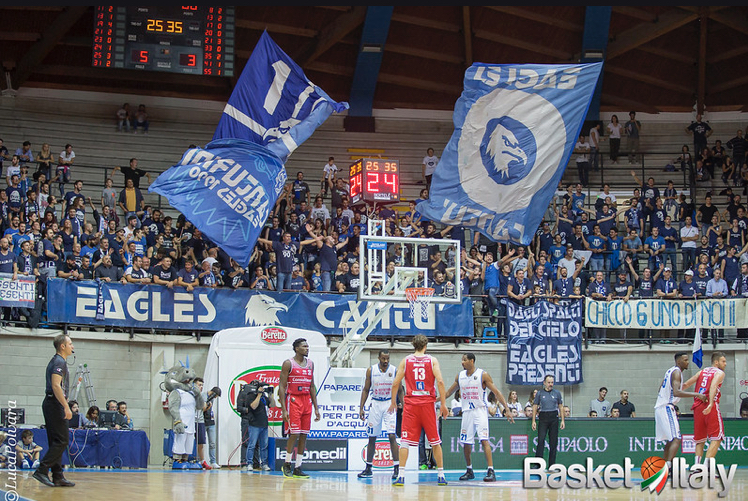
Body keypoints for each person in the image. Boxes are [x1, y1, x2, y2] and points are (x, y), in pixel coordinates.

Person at [389, 334, 449, 487]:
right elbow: (440, 382)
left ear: (413, 345)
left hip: (411, 405)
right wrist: (443, 404)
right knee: (435, 441)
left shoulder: (406, 360)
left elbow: (396, 383)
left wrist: (393, 402)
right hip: (427, 405)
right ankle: (441, 475)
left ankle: (401, 476)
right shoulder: (432, 360)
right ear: (426, 345)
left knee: (405, 443)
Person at [445, 353, 513, 483]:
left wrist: (507, 409)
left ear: (472, 361)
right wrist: (438, 400)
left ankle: (491, 470)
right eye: (461, 360)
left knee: (484, 440)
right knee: (466, 443)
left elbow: (497, 393)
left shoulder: (483, 374)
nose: (462, 362)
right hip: (466, 412)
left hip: (480, 411)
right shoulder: (460, 376)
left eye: (464, 360)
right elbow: (448, 393)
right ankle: (469, 470)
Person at [33, 334, 75, 487]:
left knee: (55, 441)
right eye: (70, 343)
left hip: (51, 403)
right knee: (62, 440)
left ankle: (57, 476)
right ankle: (41, 470)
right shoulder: (59, 361)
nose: (73, 346)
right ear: (62, 346)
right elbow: (56, 385)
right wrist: (65, 406)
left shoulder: (58, 361)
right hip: (55, 403)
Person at [655, 353, 707, 473]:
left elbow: (660, 389)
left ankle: (665, 466)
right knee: (676, 439)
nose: (688, 362)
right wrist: (697, 394)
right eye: (685, 360)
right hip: (667, 407)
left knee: (670, 439)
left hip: (661, 407)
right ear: (679, 362)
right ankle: (666, 467)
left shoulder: (670, 371)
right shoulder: (677, 372)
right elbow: (677, 392)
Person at [278, 338, 321, 479]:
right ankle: (287, 464)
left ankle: (298, 467)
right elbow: (282, 387)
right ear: (297, 348)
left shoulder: (310, 364)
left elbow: (312, 386)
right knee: (294, 434)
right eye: (304, 346)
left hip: (306, 401)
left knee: (304, 435)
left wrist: (316, 407)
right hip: (294, 400)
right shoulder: (288, 363)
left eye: (308, 346)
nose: (307, 348)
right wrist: (284, 409)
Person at [357, 350, 402, 480]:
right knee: (372, 437)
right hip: (375, 403)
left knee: (392, 435)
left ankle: (397, 468)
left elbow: (400, 390)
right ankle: (368, 468)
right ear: (378, 358)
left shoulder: (394, 370)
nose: (386, 361)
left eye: (387, 358)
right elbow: (365, 390)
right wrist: (361, 408)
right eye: (383, 358)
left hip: (389, 404)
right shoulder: (371, 370)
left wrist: (404, 406)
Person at [683, 352, 727, 465]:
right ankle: (707, 467)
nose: (725, 364)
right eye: (723, 361)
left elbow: (686, 384)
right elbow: (713, 386)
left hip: (697, 407)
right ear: (716, 362)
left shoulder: (702, 371)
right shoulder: (719, 373)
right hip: (709, 405)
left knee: (700, 439)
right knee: (717, 437)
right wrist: (711, 403)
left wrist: (673, 391)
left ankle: (697, 467)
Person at [237, 379, 276, 471]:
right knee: (251, 444)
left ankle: (264, 463)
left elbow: (273, 405)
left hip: (264, 424)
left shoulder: (264, 397)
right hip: (254, 424)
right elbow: (253, 406)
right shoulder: (250, 395)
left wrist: (271, 395)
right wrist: (258, 395)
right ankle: (249, 463)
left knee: (264, 446)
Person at [532, 375, 565, 466]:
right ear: (544, 383)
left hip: (554, 417)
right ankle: (538, 464)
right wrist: (533, 421)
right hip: (543, 417)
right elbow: (535, 406)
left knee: (553, 442)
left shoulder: (557, 393)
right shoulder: (540, 393)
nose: (550, 384)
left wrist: (562, 420)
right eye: (549, 382)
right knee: (541, 440)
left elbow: (560, 406)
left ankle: (552, 465)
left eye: (552, 382)